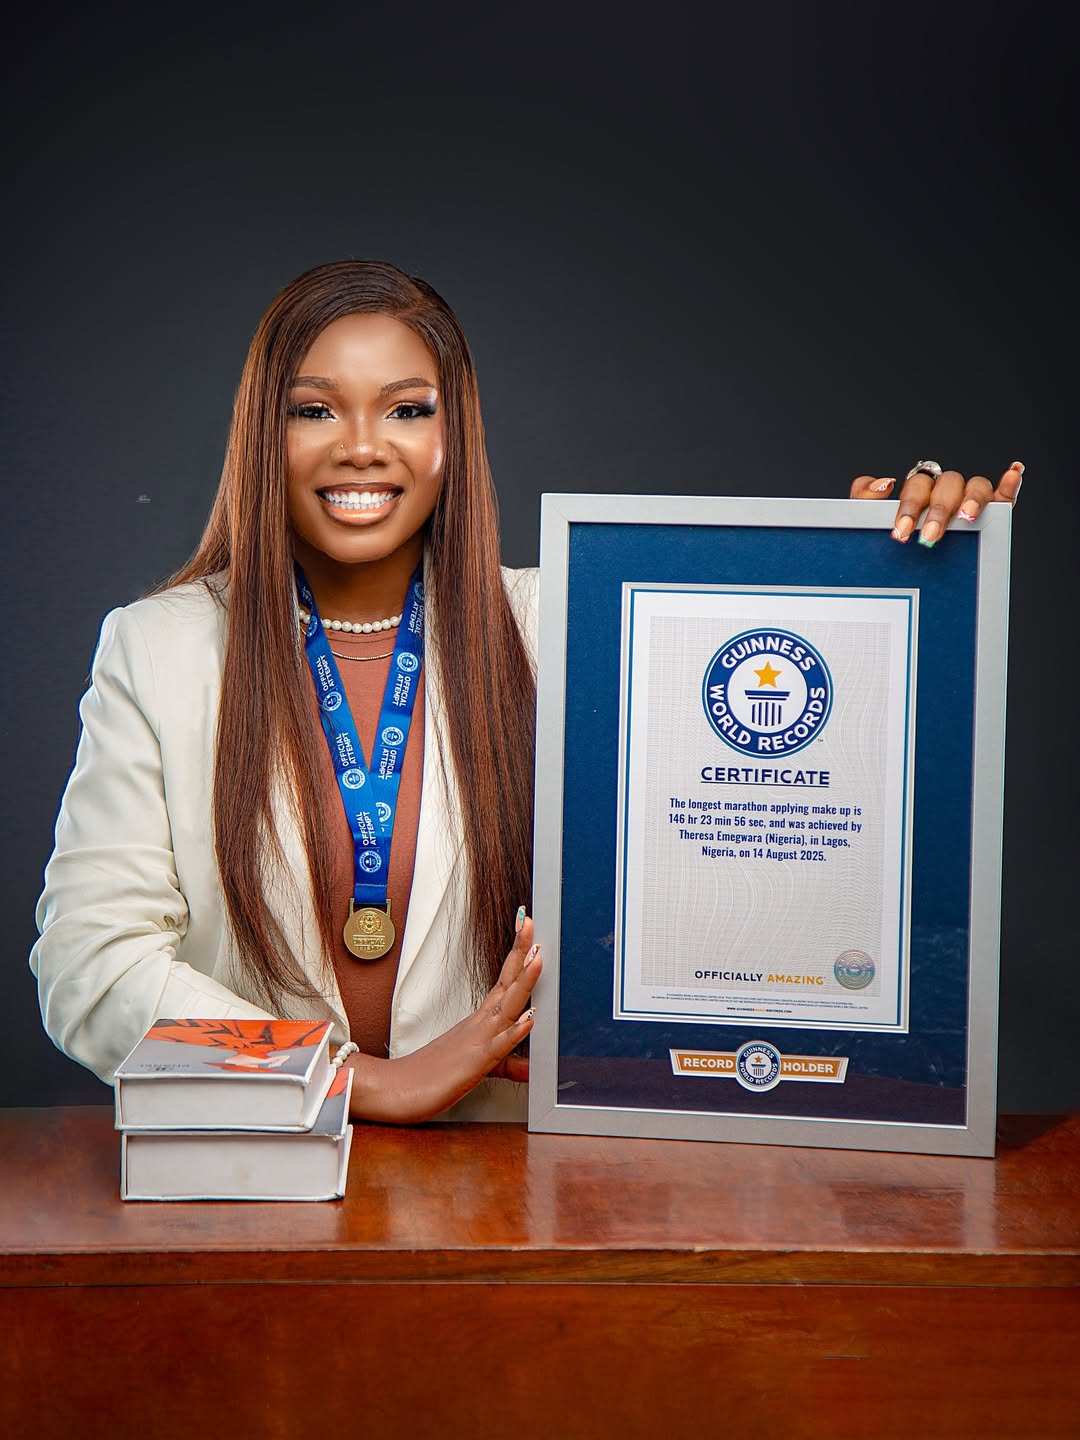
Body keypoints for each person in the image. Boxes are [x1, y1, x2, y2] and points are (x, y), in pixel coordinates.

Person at [29, 259, 1025, 1124]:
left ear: (453, 435)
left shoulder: (575, 623)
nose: (362, 445)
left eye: (408, 408)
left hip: (516, 1193)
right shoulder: (158, 649)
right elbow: (89, 966)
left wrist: (888, 558)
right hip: (263, 1184)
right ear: (263, 433)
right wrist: (357, 1081)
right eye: (315, 408)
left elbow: (781, 764)